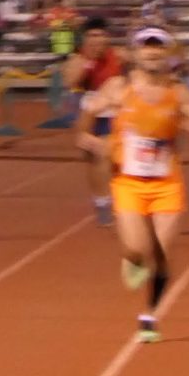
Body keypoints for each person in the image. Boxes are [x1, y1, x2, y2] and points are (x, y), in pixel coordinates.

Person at [79, 25, 189, 345]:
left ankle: (149, 315)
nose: (152, 51)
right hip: (129, 182)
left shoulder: (178, 92)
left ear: (167, 53)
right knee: (137, 250)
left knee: (162, 254)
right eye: (146, 45)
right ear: (135, 52)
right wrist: (88, 138)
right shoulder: (118, 88)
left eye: (158, 46)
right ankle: (133, 258)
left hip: (167, 183)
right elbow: (88, 114)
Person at [66, 19, 124, 224]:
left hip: (113, 111)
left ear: (107, 37)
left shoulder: (118, 55)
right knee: (94, 160)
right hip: (88, 113)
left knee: (109, 156)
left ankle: (115, 201)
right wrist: (89, 62)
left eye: (100, 35)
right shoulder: (78, 59)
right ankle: (101, 202)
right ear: (85, 38)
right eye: (92, 35)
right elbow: (70, 81)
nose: (97, 40)